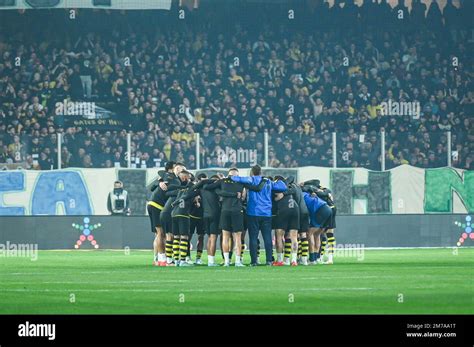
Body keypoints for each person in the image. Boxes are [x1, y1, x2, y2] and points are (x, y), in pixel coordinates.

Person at [230, 165, 287, 266]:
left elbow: (236, 178)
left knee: (253, 238)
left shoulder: (250, 179)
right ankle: (269, 260)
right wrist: (276, 180)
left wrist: (229, 177)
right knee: (267, 238)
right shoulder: (268, 181)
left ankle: (254, 261)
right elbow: (283, 186)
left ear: (252, 172)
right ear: (260, 172)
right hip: (266, 213)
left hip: (253, 213)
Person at [147, 161, 175, 266]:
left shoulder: (165, 177)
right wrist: (160, 182)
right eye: (176, 168)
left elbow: (151, 188)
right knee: (161, 233)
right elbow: (152, 187)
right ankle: (162, 259)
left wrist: (159, 182)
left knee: (158, 234)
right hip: (157, 206)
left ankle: (157, 259)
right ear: (171, 169)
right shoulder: (169, 177)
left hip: (154, 205)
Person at [302, 184, 332, 265]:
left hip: (320, 210)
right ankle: (315, 258)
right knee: (317, 235)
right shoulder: (310, 194)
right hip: (328, 209)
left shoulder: (302, 195)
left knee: (309, 233)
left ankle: (312, 259)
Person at [272, 176, 300, 266]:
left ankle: (280, 260)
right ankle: (294, 260)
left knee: (279, 236)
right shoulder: (289, 186)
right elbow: (291, 178)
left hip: (284, 208)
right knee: (294, 237)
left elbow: (277, 198)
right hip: (295, 208)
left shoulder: (276, 186)